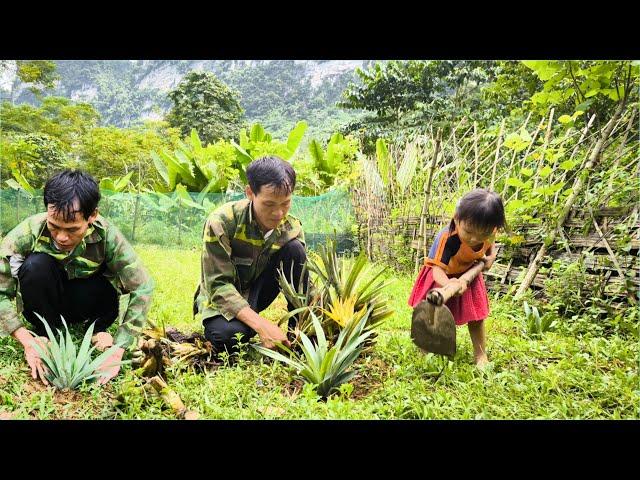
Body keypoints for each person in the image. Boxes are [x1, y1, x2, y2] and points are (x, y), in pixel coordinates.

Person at [0, 170, 154, 385]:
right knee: (36, 266)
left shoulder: (108, 235)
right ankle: (46, 333)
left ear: (92, 215)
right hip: (47, 304)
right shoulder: (27, 233)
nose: (62, 237)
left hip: (91, 303)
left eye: (72, 229)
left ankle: (97, 329)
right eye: (54, 226)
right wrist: (25, 340)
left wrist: (119, 348)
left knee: (103, 283)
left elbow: (143, 287)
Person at [194, 156, 308, 357]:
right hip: (223, 296)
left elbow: (302, 281)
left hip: (258, 290)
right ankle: (246, 324)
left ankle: (297, 331)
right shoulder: (222, 222)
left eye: (286, 204)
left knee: (295, 249)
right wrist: (262, 326)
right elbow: (218, 285)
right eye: (269, 204)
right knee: (228, 338)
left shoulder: (291, 228)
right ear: (250, 193)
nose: (278, 213)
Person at [408, 189, 506, 367]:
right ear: (456, 218)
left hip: (469, 275)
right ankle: (425, 350)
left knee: (476, 318)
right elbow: (436, 270)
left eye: (482, 234)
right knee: (432, 315)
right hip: (442, 276)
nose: (474, 239)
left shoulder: (488, 232)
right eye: (468, 232)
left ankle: (480, 355)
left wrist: (489, 258)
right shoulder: (447, 238)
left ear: (492, 229)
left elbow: (490, 246)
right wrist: (449, 284)